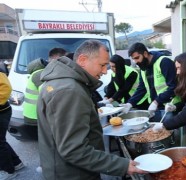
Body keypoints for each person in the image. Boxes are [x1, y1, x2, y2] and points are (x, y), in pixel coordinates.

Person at [37, 40, 146, 180]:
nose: (105, 71)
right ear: (82, 60)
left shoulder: (67, 83)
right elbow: (74, 149)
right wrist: (122, 165)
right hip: (73, 174)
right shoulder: (69, 90)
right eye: (102, 65)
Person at [121, 42, 176, 120]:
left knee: (169, 131)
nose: (135, 62)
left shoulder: (164, 62)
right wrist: (130, 103)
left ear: (145, 53)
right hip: (155, 108)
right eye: (133, 59)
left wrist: (156, 101)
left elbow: (174, 87)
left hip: (169, 107)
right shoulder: (143, 67)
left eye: (137, 58)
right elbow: (142, 88)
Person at [23, 47, 67, 124]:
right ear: (56, 59)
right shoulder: (40, 74)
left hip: (37, 116)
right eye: (64, 61)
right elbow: (49, 93)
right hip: (35, 118)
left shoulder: (45, 72)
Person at [0, 72, 24, 179]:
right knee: (1, 141)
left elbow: (6, 88)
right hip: (2, 110)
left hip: (2, 111)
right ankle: (16, 163)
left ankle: (8, 171)